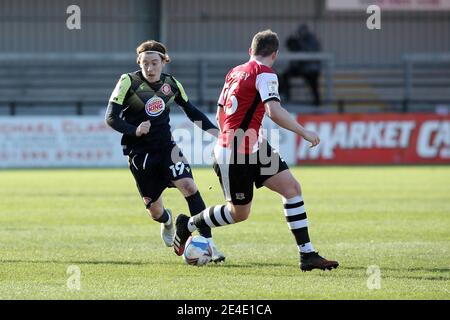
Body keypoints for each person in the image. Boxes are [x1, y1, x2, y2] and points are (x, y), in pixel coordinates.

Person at [173, 30, 338, 271]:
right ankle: (188, 224)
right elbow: (274, 111)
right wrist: (304, 132)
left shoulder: (234, 72)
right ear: (275, 54)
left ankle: (307, 254)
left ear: (250, 51)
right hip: (235, 153)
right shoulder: (266, 73)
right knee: (239, 213)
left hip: (254, 146)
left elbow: (220, 113)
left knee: (291, 188)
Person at [105, 40, 225, 262]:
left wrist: (218, 133)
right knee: (155, 211)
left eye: (154, 63)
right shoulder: (128, 82)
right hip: (140, 154)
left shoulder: (171, 84)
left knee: (189, 187)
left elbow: (192, 111)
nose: (150, 68)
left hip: (167, 147)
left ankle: (208, 243)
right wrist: (134, 130)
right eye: (145, 64)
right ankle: (168, 220)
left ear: (164, 62)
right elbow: (110, 117)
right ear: (138, 63)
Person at [279, 24, 322, 106]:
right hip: (302, 68)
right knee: (285, 76)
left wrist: (300, 43)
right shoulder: (300, 41)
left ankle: (317, 103)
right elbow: (296, 59)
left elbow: (310, 52)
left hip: (312, 70)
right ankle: (287, 96)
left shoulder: (311, 40)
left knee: (313, 85)